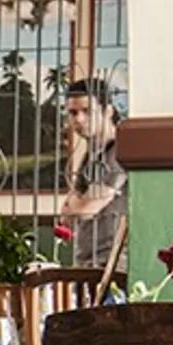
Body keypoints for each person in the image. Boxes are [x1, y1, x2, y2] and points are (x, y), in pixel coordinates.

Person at [60, 77, 125, 267]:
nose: (79, 119)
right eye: (73, 113)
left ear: (108, 111)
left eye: (87, 111)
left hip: (114, 264)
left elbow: (85, 210)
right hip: (88, 262)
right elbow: (66, 216)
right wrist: (75, 205)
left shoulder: (120, 151)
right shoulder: (90, 156)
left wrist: (77, 205)